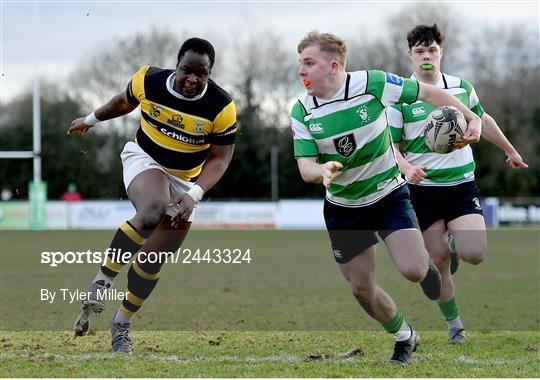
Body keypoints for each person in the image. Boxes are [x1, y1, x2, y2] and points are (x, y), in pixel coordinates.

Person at [291, 31, 483, 365]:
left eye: (309, 63)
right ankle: (404, 336)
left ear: (333, 65)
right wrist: (321, 172)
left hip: (388, 195)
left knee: (412, 270)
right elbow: (305, 165)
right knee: (361, 289)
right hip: (344, 208)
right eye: (300, 64)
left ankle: (428, 269)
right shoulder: (302, 110)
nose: (301, 71)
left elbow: (429, 92)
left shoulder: (373, 84)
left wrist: (471, 115)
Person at [67, 37, 237, 353]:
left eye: (201, 74)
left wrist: (194, 193)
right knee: (153, 209)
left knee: (152, 262)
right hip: (145, 160)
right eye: (187, 70)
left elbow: (220, 158)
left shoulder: (221, 107)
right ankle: (102, 281)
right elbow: (122, 101)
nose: (193, 79)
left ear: (209, 74)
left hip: (186, 183)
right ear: (177, 64)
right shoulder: (149, 79)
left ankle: (121, 324)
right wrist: (90, 120)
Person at [388, 24, 528, 344]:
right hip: (422, 191)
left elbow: (482, 118)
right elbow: (391, 146)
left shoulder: (461, 87)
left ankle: (454, 245)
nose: (426, 56)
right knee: (436, 262)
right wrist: (406, 166)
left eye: (432, 50)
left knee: (475, 253)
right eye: (420, 52)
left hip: (461, 186)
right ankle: (455, 326)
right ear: (410, 55)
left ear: (441, 53)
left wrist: (509, 150)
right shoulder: (400, 97)